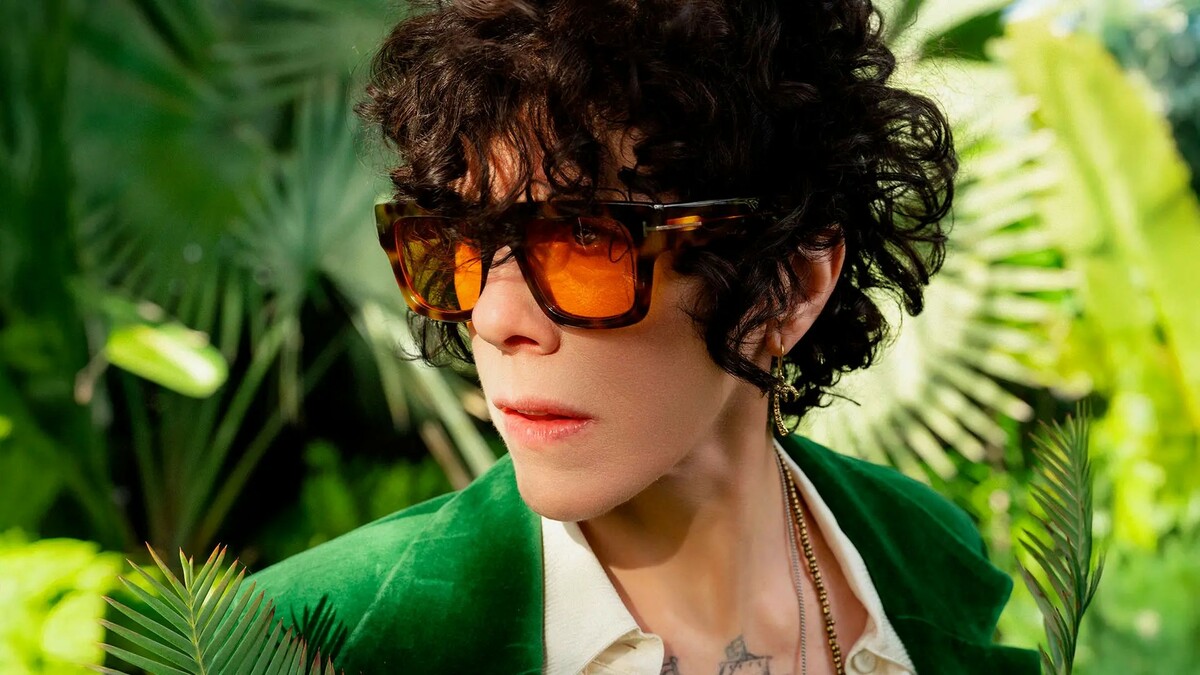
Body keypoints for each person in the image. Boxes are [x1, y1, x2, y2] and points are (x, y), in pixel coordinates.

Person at [248, 1, 1041, 673]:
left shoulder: (924, 549)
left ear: (789, 283)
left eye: (584, 239)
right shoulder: (290, 639)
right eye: (460, 239)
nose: (493, 318)